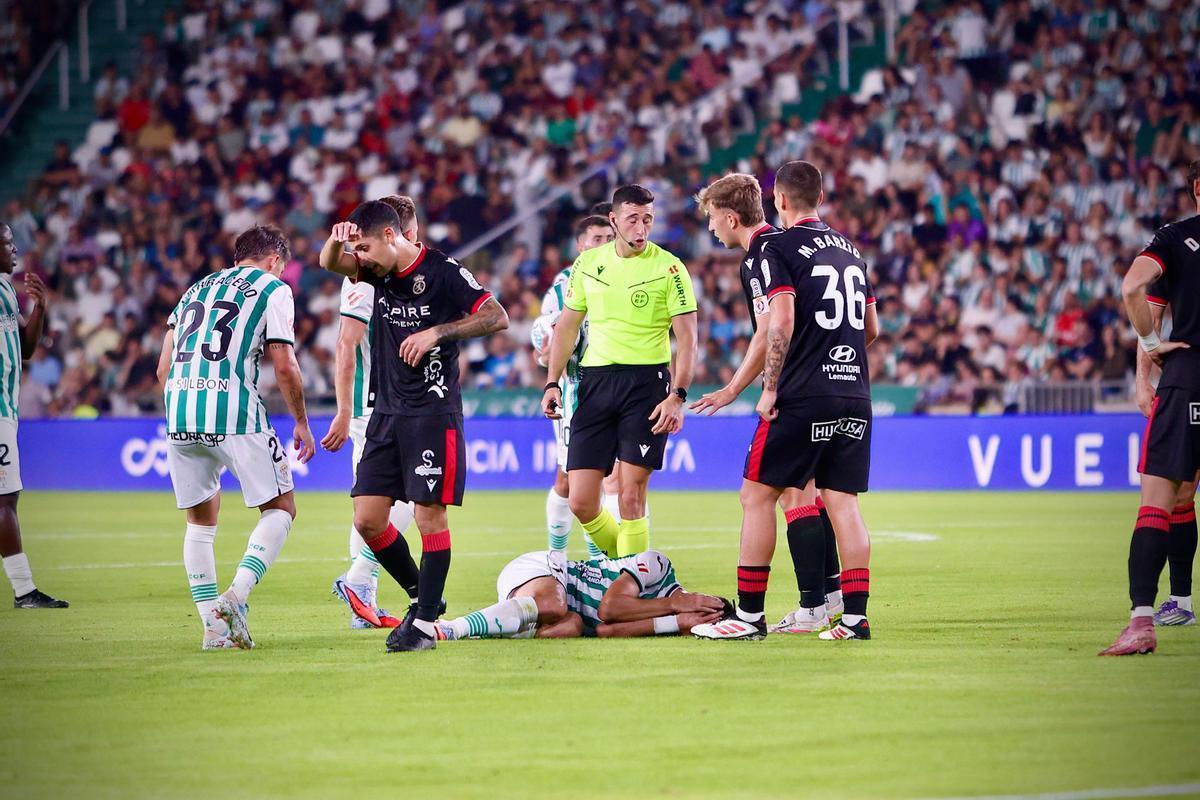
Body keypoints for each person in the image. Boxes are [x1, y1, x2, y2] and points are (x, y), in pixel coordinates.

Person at [692, 161, 878, 642]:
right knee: (839, 502)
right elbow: (870, 329)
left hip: (802, 394)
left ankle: (749, 617)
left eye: (711, 217)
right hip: (854, 390)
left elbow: (779, 321)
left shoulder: (772, 248)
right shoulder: (850, 250)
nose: (710, 227)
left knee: (756, 495)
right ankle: (848, 616)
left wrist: (770, 387)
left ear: (780, 200)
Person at [318, 201, 509, 652]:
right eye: (356, 249)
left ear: (391, 236)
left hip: (432, 413)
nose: (358, 257)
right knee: (367, 519)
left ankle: (422, 625)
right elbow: (330, 263)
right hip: (386, 414)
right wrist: (337, 239)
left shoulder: (442, 271)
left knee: (428, 517)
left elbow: (495, 315)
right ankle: (423, 596)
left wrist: (437, 332)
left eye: (364, 247)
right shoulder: (376, 272)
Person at [158, 225, 315, 650]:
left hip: (180, 413)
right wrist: (301, 422)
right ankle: (236, 595)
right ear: (275, 261)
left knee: (199, 524)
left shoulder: (195, 289)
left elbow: (162, 369)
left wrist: (185, 403)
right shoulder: (273, 288)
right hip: (234, 411)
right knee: (281, 507)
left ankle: (213, 631)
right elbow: (284, 365)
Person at [542, 185, 698, 560]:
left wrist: (677, 396)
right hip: (594, 384)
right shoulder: (588, 265)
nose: (641, 227)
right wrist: (552, 381)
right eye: (633, 219)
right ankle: (633, 567)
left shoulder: (670, 267)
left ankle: (633, 588)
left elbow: (688, 339)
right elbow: (566, 327)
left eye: (648, 219)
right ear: (614, 219)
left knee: (631, 496)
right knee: (580, 500)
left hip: (647, 385)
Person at [1101, 159, 1200, 655]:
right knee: (1183, 498)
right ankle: (1180, 600)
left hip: (1189, 381)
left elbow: (1134, 290)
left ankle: (1142, 622)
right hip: (1179, 380)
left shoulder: (1176, 239)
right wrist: (1143, 381)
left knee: (1159, 503)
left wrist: (1149, 345)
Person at [320, 195, 421, 630]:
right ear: (396, 233)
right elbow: (346, 343)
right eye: (409, 235)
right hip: (372, 407)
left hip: (396, 405)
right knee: (398, 500)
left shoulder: (395, 270)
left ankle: (363, 590)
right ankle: (360, 579)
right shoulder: (365, 278)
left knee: (392, 500)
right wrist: (343, 411)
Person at [531, 214, 614, 556]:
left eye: (609, 237)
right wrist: (549, 355)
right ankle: (557, 556)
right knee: (571, 479)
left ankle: (604, 564)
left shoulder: (626, 276)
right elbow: (545, 349)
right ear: (580, 246)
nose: (605, 244)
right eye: (597, 238)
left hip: (619, 388)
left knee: (614, 482)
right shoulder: (563, 286)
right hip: (578, 391)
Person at [433, 549, 726, 640]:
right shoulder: (658, 566)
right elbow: (610, 608)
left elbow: (605, 630)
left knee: (571, 626)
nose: (702, 617)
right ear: (701, 597)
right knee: (554, 605)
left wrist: (676, 624)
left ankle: (485, 628)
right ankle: (453, 628)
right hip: (548, 570)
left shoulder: (666, 620)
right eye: (709, 611)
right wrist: (674, 605)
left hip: (552, 608)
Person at [0, 224, 68, 609]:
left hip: (7, 409)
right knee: (5, 498)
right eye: (6, 242)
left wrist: (40, 307)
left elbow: (25, 350)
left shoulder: (7, 291)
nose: (14, 249)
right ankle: (25, 591)